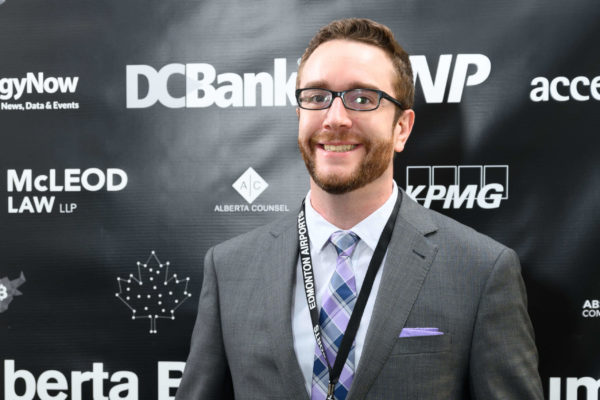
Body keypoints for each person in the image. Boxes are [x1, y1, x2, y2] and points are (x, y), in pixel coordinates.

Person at [175, 18, 544, 400]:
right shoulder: (230, 269)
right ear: (300, 115)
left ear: (402, 128)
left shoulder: (480, 271)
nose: (335, 118)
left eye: (363, 99)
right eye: (317, 97)